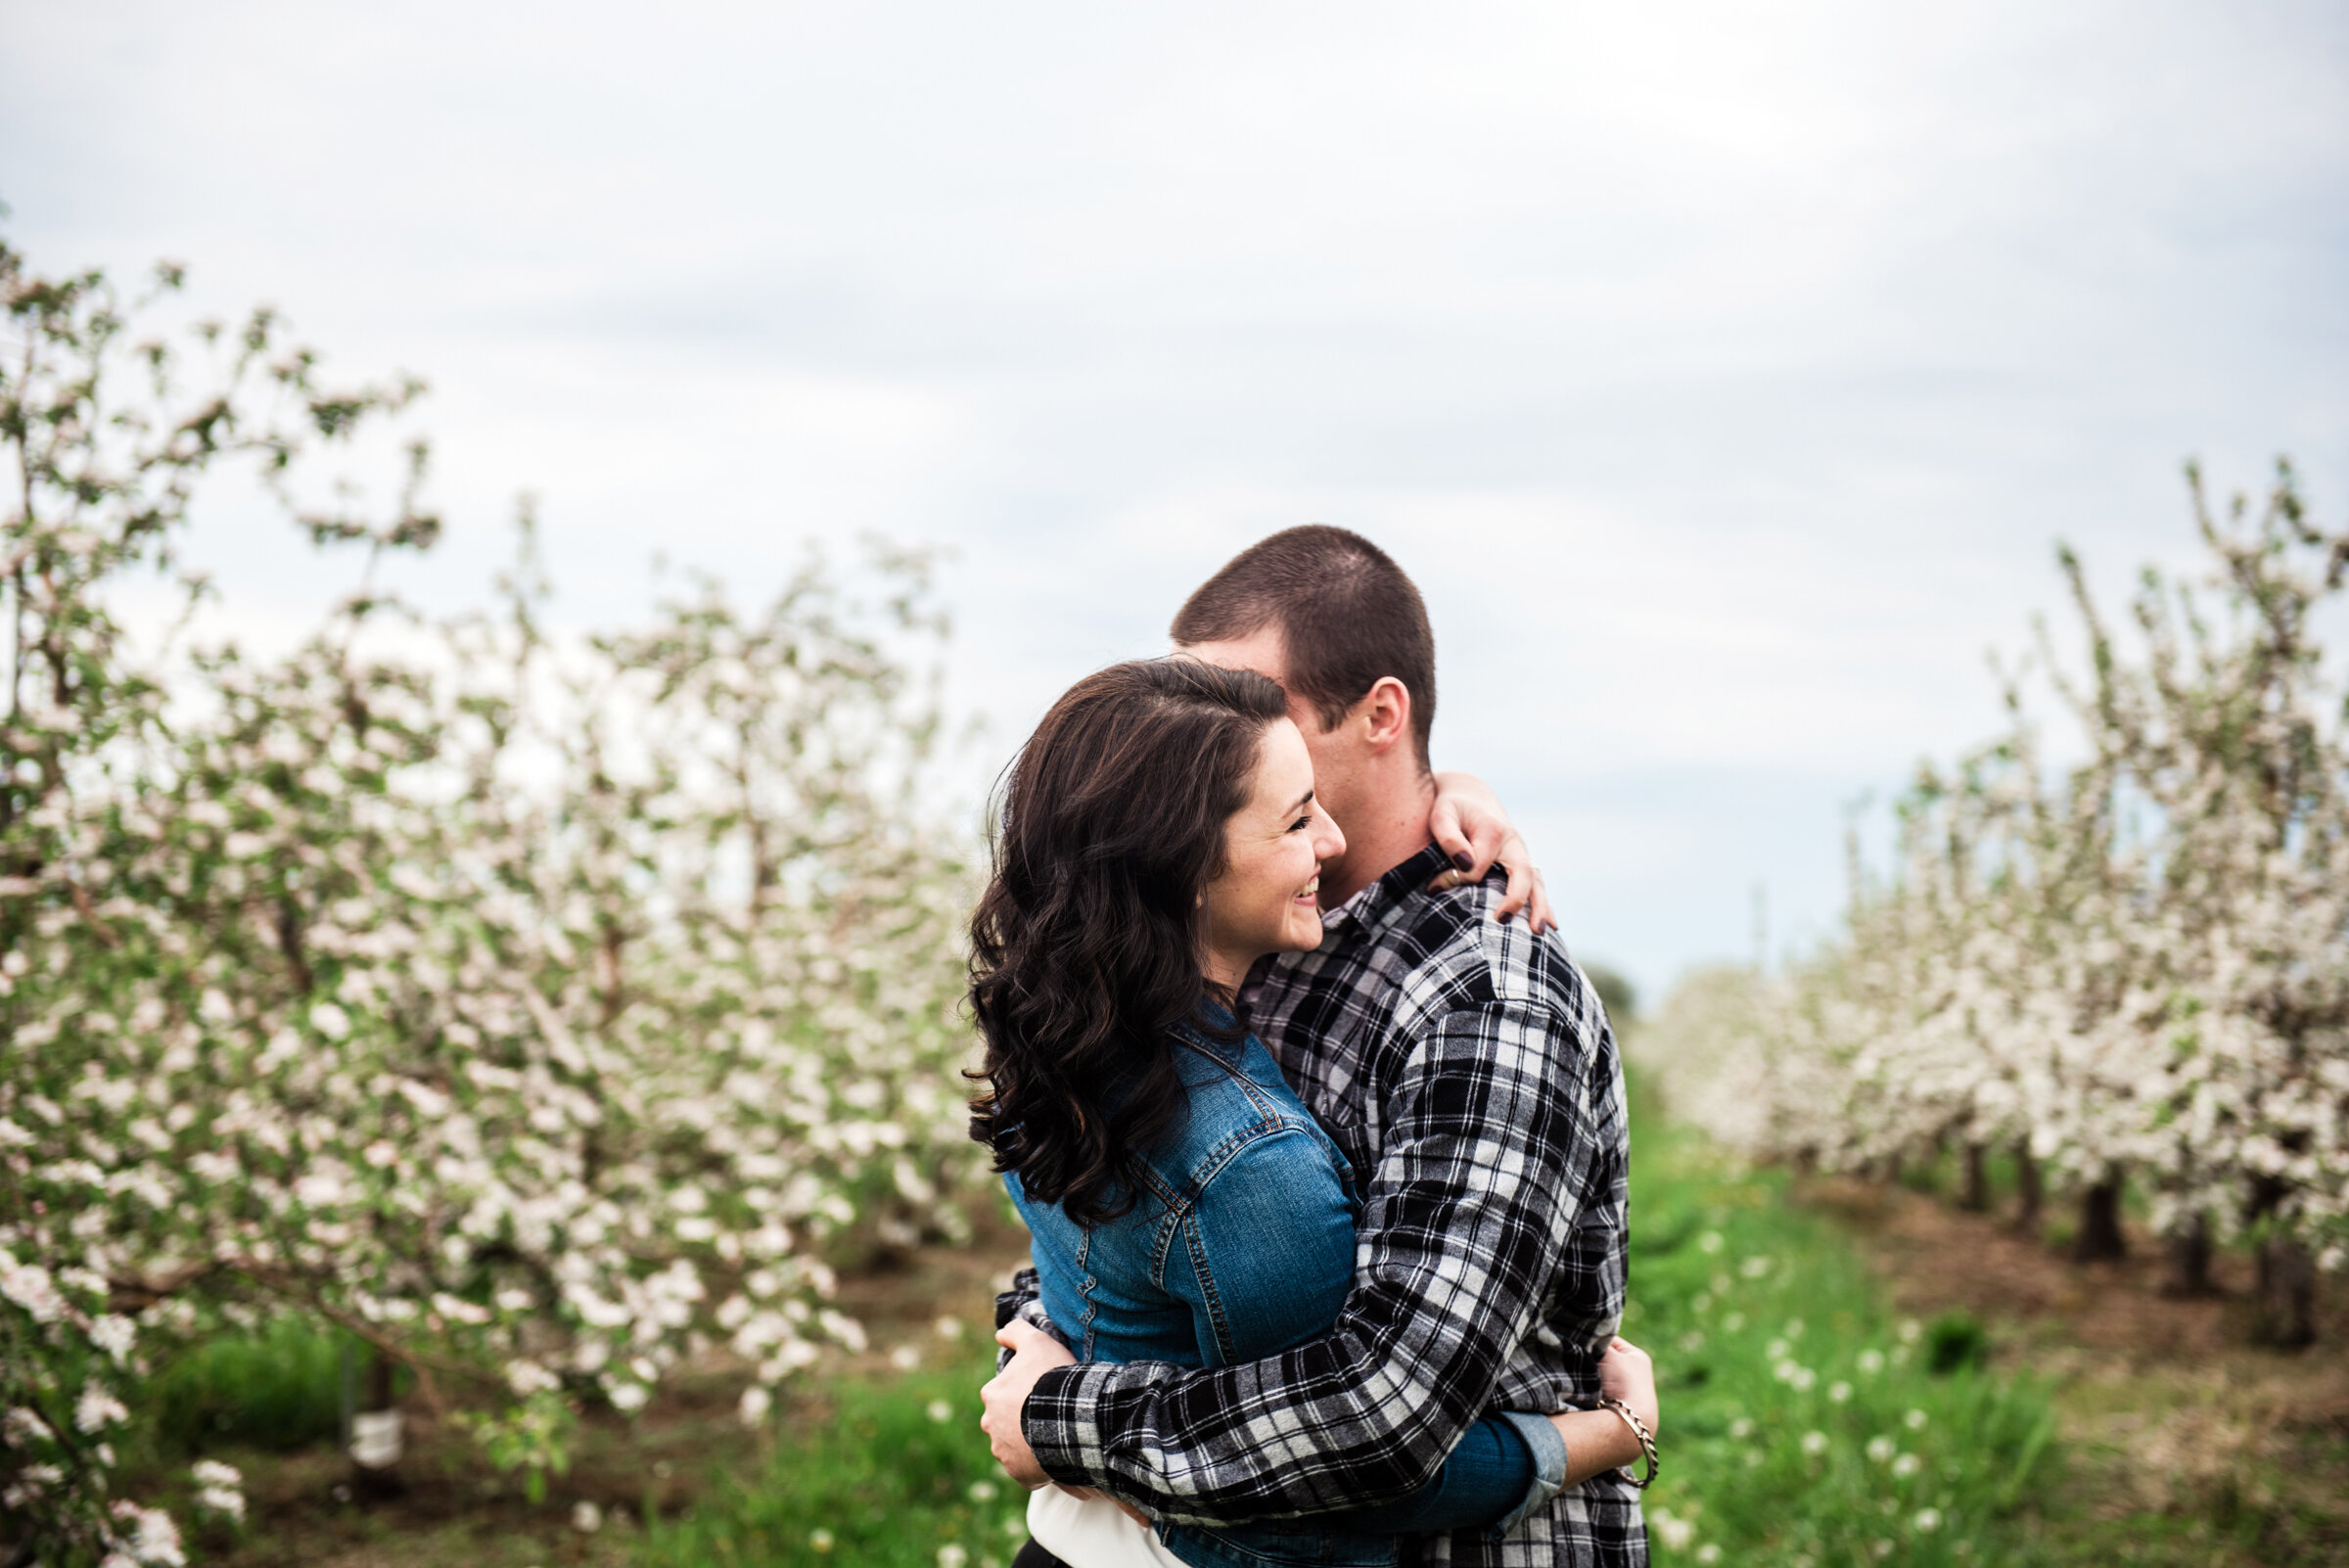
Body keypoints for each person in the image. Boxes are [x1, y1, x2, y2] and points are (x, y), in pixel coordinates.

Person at [982, 528, 1648, 1567]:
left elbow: (1384, 1412)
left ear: (1382, 715)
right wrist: (1055, 1345)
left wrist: (1065, 1416)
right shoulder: (1233, 938)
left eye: (1253, 706)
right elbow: (1129, 1227)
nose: (1202, 738)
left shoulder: (1486, 997)